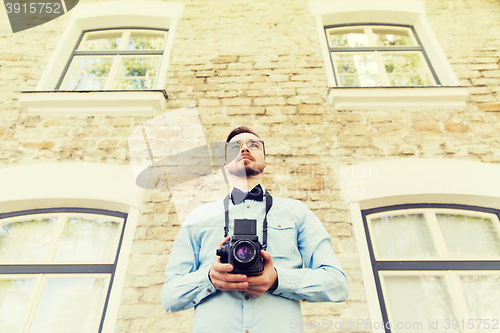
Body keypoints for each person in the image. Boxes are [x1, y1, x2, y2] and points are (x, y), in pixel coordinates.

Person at [161, 126, 348, 332]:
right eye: (235, 146)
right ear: (225, 165)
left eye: (254, 145)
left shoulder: (297, 212)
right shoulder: (198, 217)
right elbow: (169, 296)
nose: (244, 149)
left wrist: (278, 279)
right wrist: (209, 278)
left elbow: (337, 283)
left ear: (265, 162)